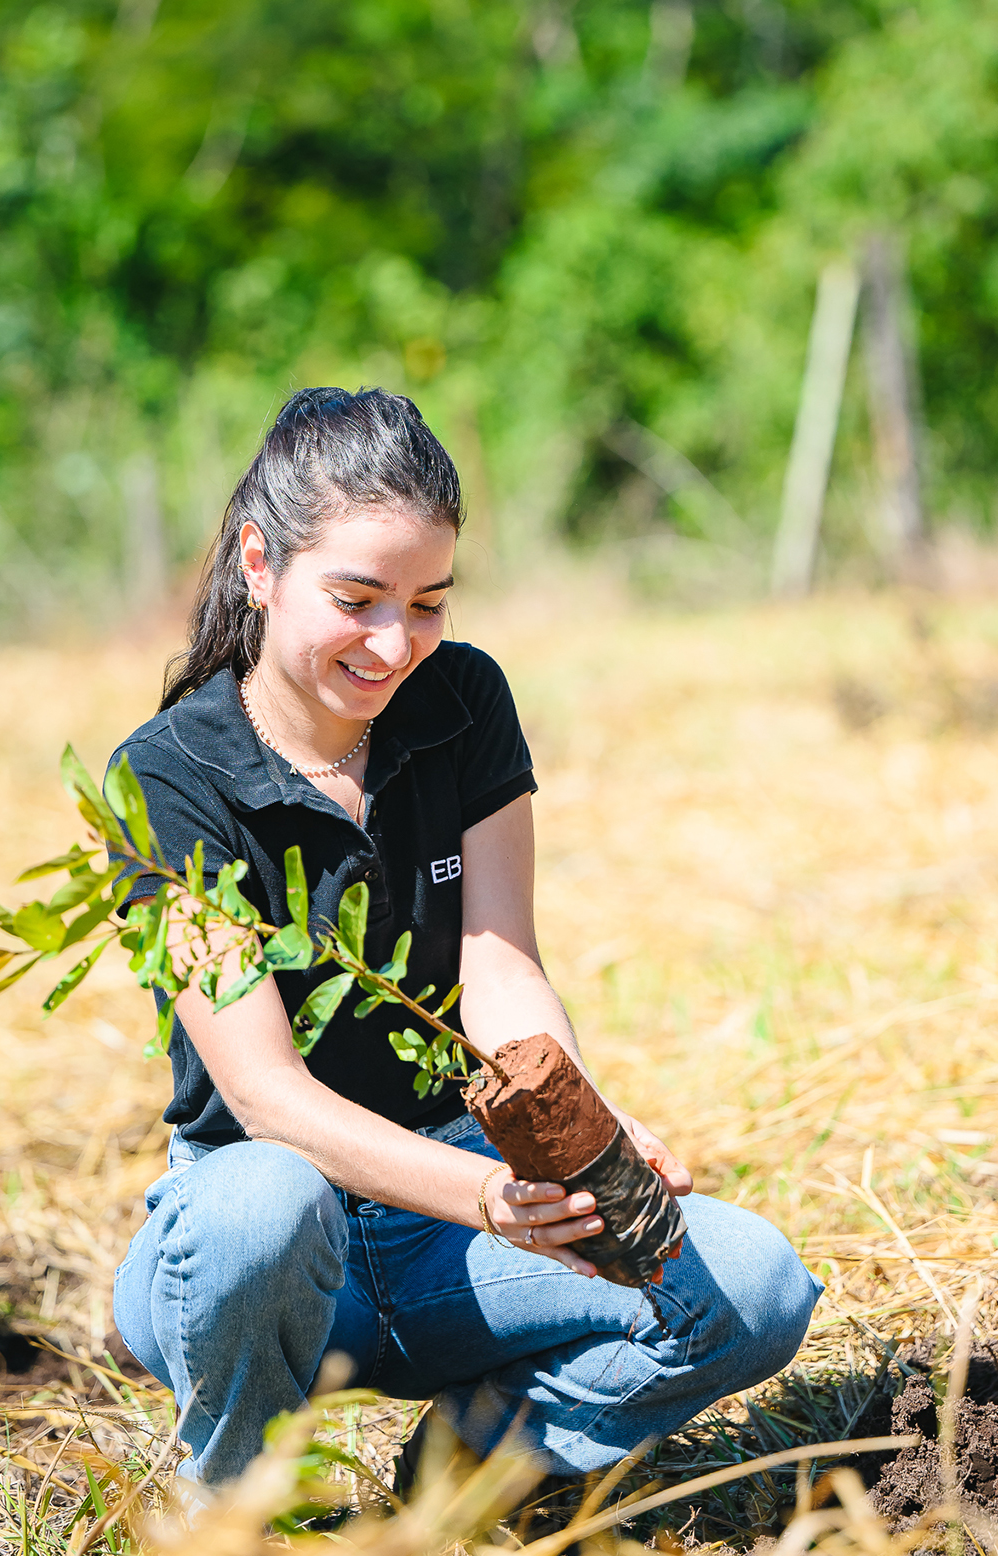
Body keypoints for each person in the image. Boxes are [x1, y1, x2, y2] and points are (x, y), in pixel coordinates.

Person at [110, 386, 821, 1492]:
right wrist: (491, 1201)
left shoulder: (462, 702)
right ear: (259, 563)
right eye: (357, 598)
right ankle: (233, 1513)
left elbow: (498, 962)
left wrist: (575, 1136)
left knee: (756, 1288)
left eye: (429, 601)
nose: (396, 643)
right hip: (270, 1237)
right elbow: (265, 1098)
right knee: (262, 1203)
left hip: (460, 1220)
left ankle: (457, 1483)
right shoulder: (165, 776)